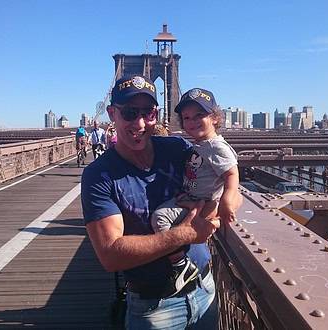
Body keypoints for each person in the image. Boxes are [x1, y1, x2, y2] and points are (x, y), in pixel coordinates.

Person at [81, 75, 242, 329]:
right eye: (130, 113)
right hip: (155, 308)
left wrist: (224, 203)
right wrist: (185, 234)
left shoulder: (177, 149)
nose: (141, 122)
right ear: (112, 114)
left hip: (205, 289)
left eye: (149, 112)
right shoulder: (99, 176)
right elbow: (110, 255)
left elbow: (227, 179)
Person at [150, 88, 239, 297]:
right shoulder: (199, 145)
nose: (192, 121)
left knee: (159, 217)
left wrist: (226, 201)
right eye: (187, 117)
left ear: (215, 118)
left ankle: (180, 264)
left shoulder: (217, 147)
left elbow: (232, 175)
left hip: (202, 201)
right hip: (191, 199)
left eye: (200, 115)